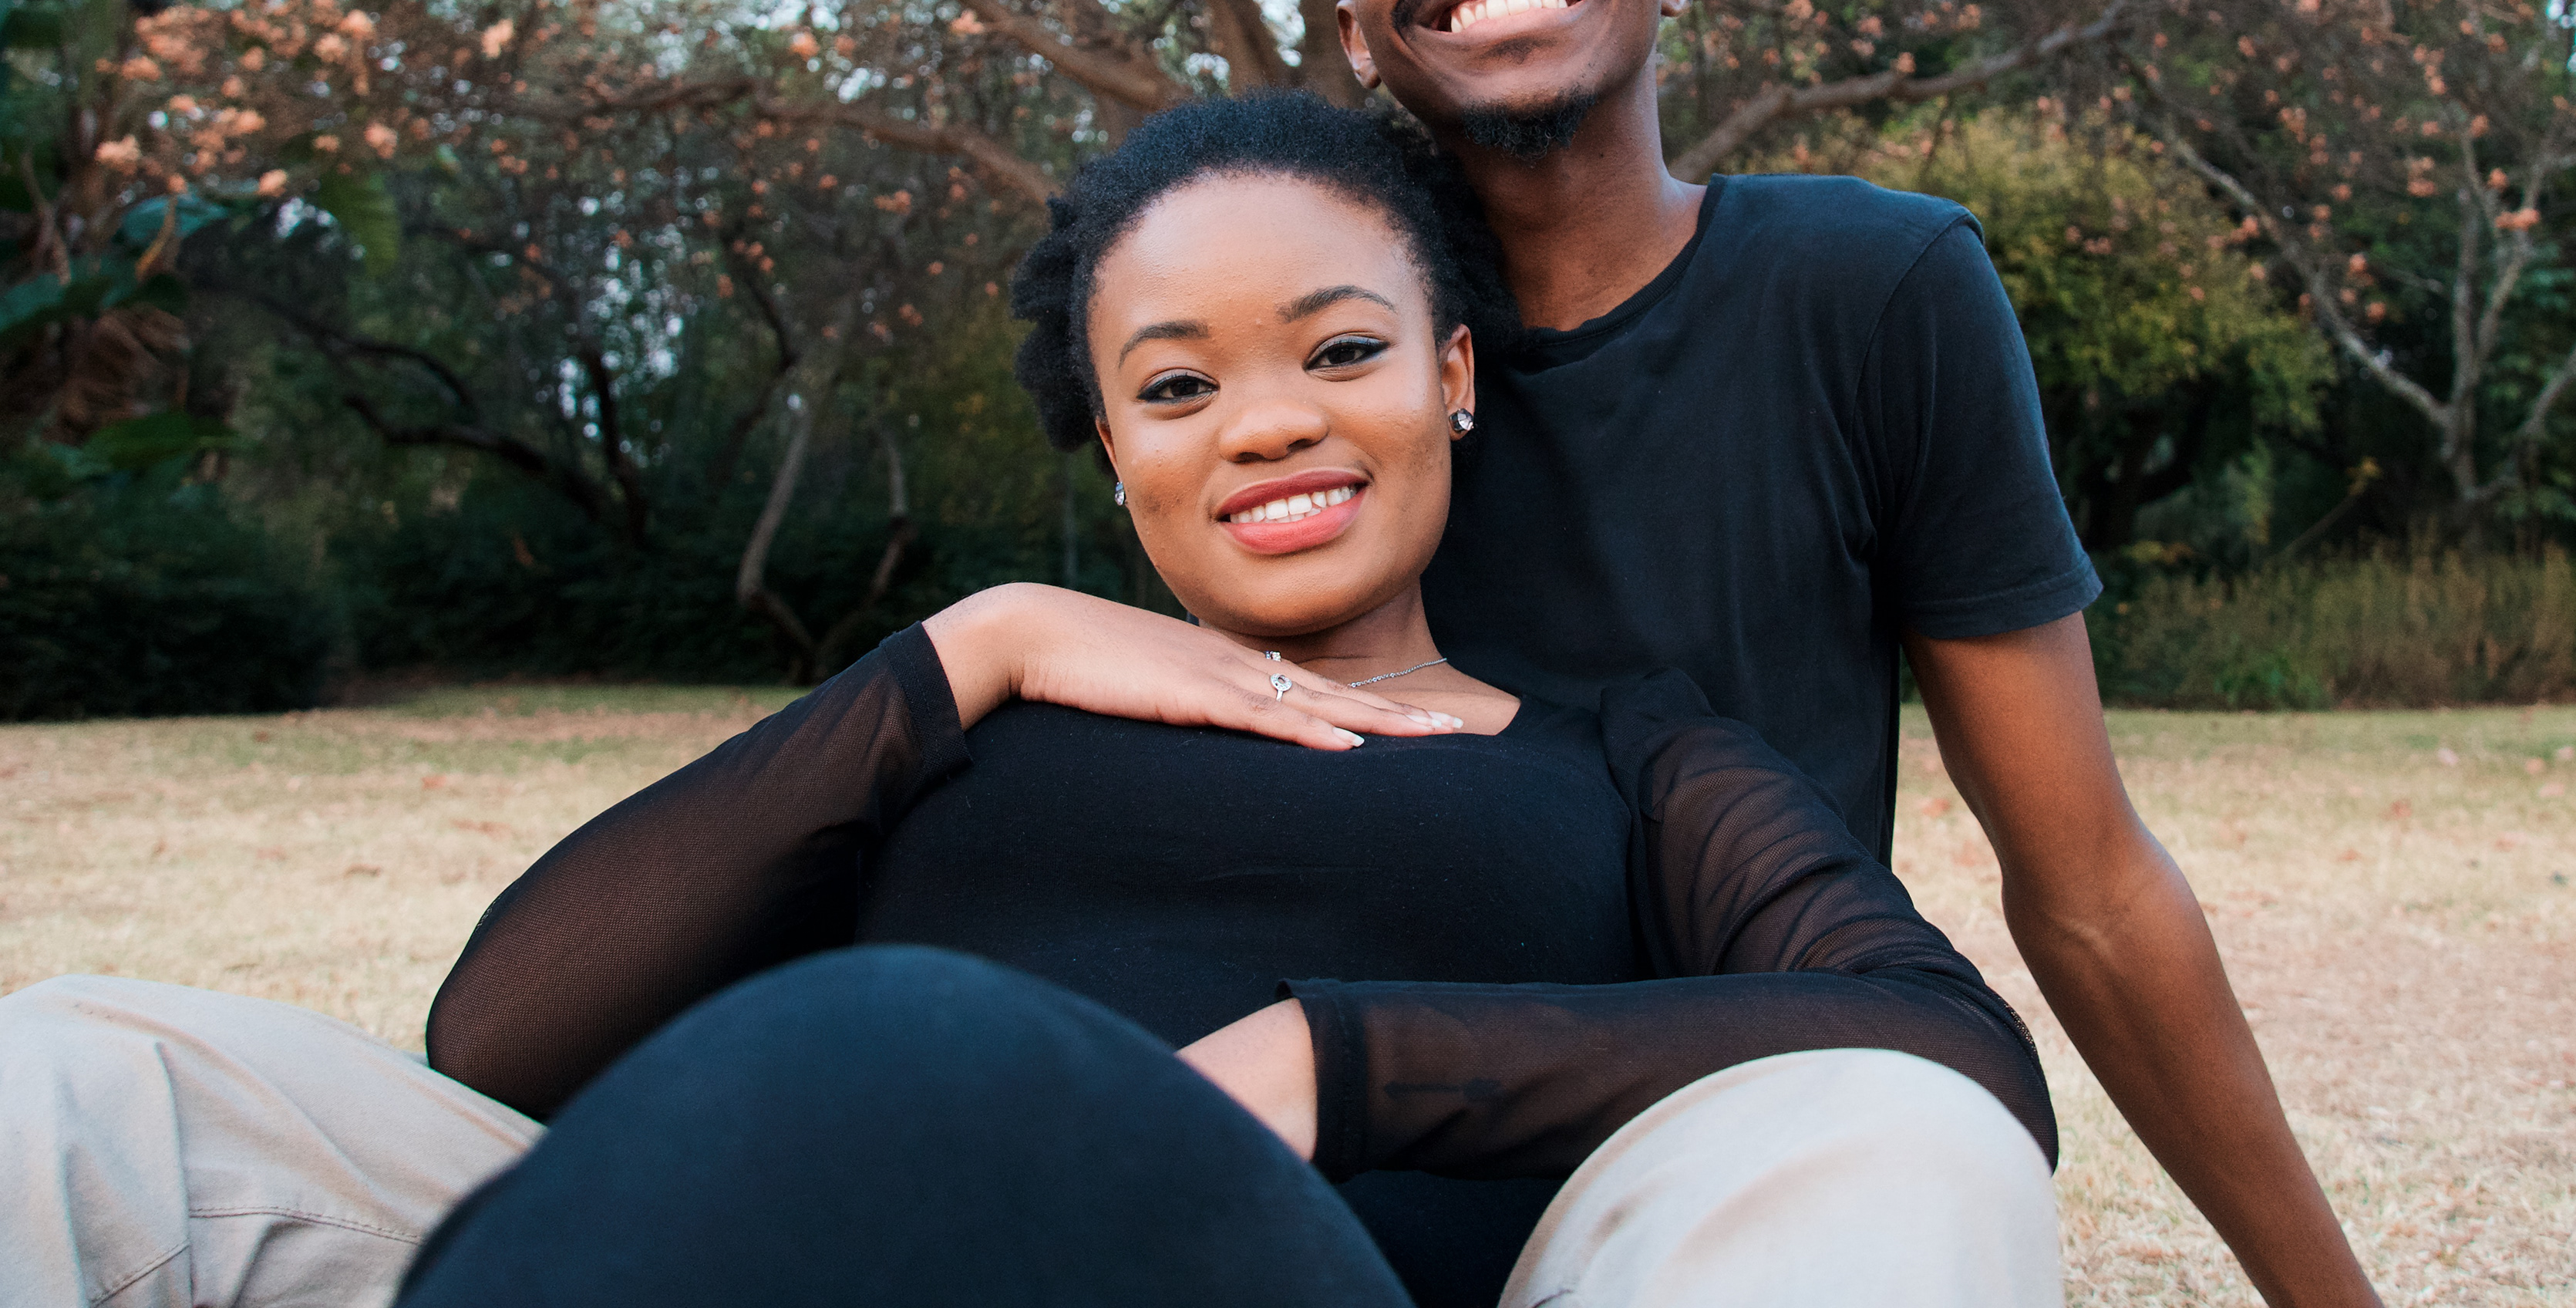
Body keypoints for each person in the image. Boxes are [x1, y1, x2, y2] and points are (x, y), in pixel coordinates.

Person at [2, 94, 2062, 1308]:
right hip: (780, 1255)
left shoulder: (1628, 753)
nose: (1264, 421)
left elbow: (1945, 1052)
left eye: (1340, 349)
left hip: (1290, 1274)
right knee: (81, 1076)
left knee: (1892, 1135)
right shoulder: (976, 708)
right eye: (1175, 384)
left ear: (1454, 373)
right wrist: (962, 651)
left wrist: (1341, 1063)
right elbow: (502, 1039)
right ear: (1114, 449)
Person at [914, 0, 2386, 1306]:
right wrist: (993, 639)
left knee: (1918, 1134)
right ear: (1358, 32)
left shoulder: (1873, 294)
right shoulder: (1308, 391)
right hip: (1320, 1194)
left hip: (1711, 1136)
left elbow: (2088, 882)